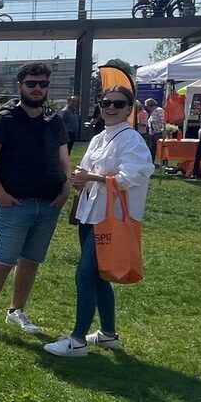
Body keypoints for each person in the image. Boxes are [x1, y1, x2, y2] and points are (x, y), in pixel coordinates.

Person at [44, 85, 153, 356]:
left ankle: (77, 339)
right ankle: (107, 334)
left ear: (129, 109)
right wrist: (82, 178)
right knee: (100, 274)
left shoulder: (132, 140)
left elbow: (133, 177)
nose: (111, 108)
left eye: (118, 104)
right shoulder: (99, 138)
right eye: (106, 103)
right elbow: (92, 172)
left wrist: (92, 178)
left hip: (112, 217)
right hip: (90, 213)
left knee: (85, 273)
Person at [0, 62, 71, 340]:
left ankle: (16, 310)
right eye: (32, 84)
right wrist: (0, 193)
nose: (37, 89)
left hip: (48, 204)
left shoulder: (54, 120)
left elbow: (63, 161)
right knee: (3, 260)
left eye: (43, 84)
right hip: (15, 203)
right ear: (20, 86)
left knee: (31, 261)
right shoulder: (6, 119)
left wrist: (66, 188)